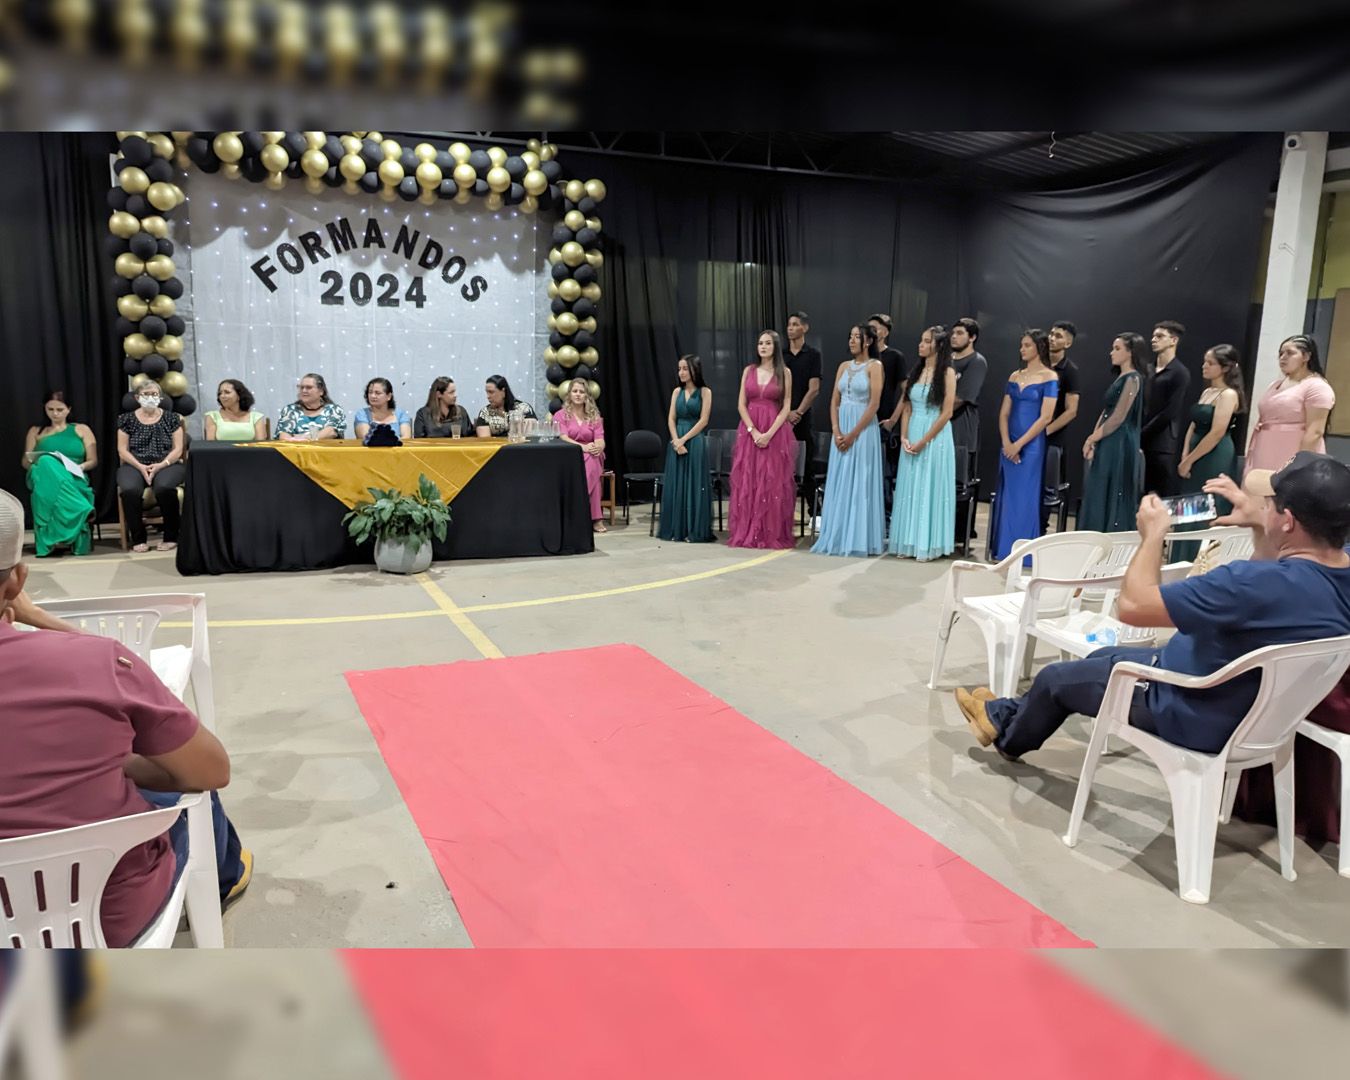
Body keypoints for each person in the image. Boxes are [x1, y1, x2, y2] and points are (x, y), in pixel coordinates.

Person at [955, 453, 1350, 761]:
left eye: (1272, 505)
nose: (1265, 507)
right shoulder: (1333, 574)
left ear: (1288, 521)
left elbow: (1132, 606)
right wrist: (1258, 525)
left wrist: (1152, 537)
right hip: (1250, 710)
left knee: (1055, 679)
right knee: (1101, 655)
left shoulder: (1247, 583)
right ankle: (1004, 713)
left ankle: (1006, 735)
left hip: (1189, 704)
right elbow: (1275, 574)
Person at [0, 489, 252, 947]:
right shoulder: (94, 663)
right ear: (18, 580)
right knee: (188, 786)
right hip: (102, 915)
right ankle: (225, 876)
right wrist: (122, 763)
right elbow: (212, 770)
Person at [885, 325, 957, 560]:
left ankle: (927, 543)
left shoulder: (947, 373)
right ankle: (907, 540)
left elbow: (946, 412)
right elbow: (907, 407)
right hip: (913, 430)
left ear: (939, 345)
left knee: (927, 486)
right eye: (922, 340)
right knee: (909, 488)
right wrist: (904, 436)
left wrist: (924, 441)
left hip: (935, 436)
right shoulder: (916, 371)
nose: (921, 344)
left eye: (927, 341)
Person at [812, 323, 885, 557]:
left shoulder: (875, 366)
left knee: (860, 482)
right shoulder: (843, 366)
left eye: (857, 337)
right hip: (841, 428)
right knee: (840, 479)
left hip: (863, 430)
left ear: (868, 341)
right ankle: (838, 534)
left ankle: (859, 538)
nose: (852, 341)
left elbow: (874, 404)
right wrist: (836, 430)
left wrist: (853, 434)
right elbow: (834, 400)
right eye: (850, 336)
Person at [988, 329, 1058, 560]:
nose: (1022, 349)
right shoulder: (1015, 376)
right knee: (1008, 496)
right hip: (1009, 443)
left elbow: (1046, 417)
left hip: (1032, 446)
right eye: (1022, 345)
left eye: (1027, 345)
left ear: (1039, 347)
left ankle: (1023, 554)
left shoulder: (1049, 377)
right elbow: (1004, 413)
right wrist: (1007, 442)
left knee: (1025, 497)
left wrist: (1018, 445)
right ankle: (1003, 549)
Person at [1173, 344, 1245, 561]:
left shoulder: (1228, 394)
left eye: (1210, 363)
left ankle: (1200, 559)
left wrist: (1190, 460)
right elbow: (1193, 425)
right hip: (1196, 453)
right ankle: (1181, 556)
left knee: (1208, 501)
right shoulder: (1207, 392)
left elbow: (1216, 433)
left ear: (1225, 368)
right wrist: (1185, 455)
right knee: (1189, 505)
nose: (1204, 366)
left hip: (1214, 455)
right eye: (1205, 361)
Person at [728, 330, 796, 549]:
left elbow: (786, 406)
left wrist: (769, 434)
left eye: (768, 343)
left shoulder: (784, 372)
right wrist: (753, 431)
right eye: (760, 343)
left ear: (775, 346)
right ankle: (748, 530)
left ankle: (769, 532)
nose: (763, 347)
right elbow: (741, 404)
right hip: (749, 432)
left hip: (775, 432)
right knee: (749, 479)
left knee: (771, 481)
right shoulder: (748, 370)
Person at [1077, 332, 1149, 533]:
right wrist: (1093, 439)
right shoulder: (1121, 377)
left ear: (1130, 352)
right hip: (1108, 438)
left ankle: (1110, 535)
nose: (1111, 352)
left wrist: (1092, 438)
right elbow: (1107, 413)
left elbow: (1118, 417)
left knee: (1112, 486)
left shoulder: (1133, 378)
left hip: (1119, 441)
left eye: (1117, 349)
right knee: (1099, 485)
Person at [1245, 334, 1336, 473]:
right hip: (1265, 447)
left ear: (1306, 357)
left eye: (1290, 353)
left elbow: (1315, 431)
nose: (1283, 357)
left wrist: (1298, 464)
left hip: (1292, 450)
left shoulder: (1317, 386)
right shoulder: (1275, 385)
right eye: (1281, 353)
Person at [22, 390, 96, 556]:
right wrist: (40, 465)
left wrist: (80, 467)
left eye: (59, 410)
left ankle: (77, 508)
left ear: (69, 409)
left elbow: (93, 460)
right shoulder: (35, 431)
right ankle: (81, 508)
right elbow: (26, 461)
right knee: (46, 460)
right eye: (50, 409)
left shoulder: (82, 429)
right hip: (41, 476)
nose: (55, 413)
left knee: (50, 470)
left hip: (74, 474)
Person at [116, 383, 185, 553]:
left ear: (160, 397)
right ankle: (138, 538)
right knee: (129, 490)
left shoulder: (172, 418)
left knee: (164, 488)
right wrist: (140, 467)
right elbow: (122, 450)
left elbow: (178, 449)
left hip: (167, 463)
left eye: (154, 394)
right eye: (146, 394)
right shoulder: (126, 419)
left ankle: (171, 537)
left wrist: (161, 465)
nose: (150, 397)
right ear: (137, 397)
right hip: (135, 464)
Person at [658, 355, 714, 543]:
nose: (681, 372)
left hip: (694, 441)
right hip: (677, 442)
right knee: (678, 484)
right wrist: (676, 440)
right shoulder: (677, 392)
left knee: (693, 485)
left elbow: (704, 420)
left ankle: (694, 530)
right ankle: (677, 529)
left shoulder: (705, 392)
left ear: (694, 370)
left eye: (684, 369)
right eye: (679, 369)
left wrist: (683, 439)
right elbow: (671, 418)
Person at [1141, 320, 1192, 496]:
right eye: (1153, 336)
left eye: (1160, 336)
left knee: (1159, 492)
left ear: (1173, 340)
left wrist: (1143, 432)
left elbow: (1170, 411)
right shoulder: (1147, 369)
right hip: (1141, 438)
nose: (1153, 339)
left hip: (1162, 442)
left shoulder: (1180, 372)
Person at [556, 377, 608, 533]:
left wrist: (598, 447)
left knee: (593, 459)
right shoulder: (560, 415)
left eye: (581, 392)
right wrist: (583, 447)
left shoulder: (594, 416)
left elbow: (600, 439)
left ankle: (578, 512)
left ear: (587, 395)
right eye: (575, 391)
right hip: (571, 454)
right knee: (593, 473)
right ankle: (595, 519)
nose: (578, 394)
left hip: (592, 453)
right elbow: (563, 437)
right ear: (569, 394)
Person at [869, 313, 908, 514]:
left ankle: (884, 516)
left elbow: (906, 391)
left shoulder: (895, 357)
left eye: (875, 329)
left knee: (883, 474)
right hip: (861, 422)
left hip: (882, 424)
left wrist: (893, 420)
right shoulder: (862, 357)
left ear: (885, 332)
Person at [783, 311, 822, 491]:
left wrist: (798, 413)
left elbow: (814, 388)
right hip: (781, 417)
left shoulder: (813, 355)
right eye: (789, 325)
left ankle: (813, 506)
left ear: (805, 328)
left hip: (802, 418)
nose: (790, 328)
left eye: (795, 324)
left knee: (806, 467)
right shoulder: (781, 355)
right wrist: (786, 413)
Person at [948, 317, 989, 469]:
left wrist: (938, 414)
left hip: (960, 425)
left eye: (959, 333)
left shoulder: (977, 362)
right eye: (953, 333)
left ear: (972, 338)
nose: (954, 336)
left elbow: (962, 398)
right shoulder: (945, 360)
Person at [1042, 321, 1081, 450]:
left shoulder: (1070, 371)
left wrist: (1045, 431)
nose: (1052, 338)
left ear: (1067, 343)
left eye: (1058, 336)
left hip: (1052, 440)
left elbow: (1071, 411)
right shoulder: (1038, 365)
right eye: (1051, 334)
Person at [276, 373, 346, 441]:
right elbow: (283, 436)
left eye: (309, 387)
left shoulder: (333, 410)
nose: (304, 390)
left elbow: (330, 432)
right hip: (296, 449)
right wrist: (310, 438)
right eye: (301, 387)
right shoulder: (290, 410)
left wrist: (303, 437)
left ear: (321, 391)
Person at [204, 379, 268, 442]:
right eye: (220, 393)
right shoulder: (212, 416)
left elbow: (260, 444)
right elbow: (210, 445)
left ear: (239, 395)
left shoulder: (256, 417)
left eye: (227, 392)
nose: (222, 396)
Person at [353, 378, 413, 443]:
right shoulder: (362, 414)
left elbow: (406, 438)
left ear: (389, 396)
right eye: (370, 392)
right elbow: (365, 438)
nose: (373, 396)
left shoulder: (401, 414)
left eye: (377, 393)